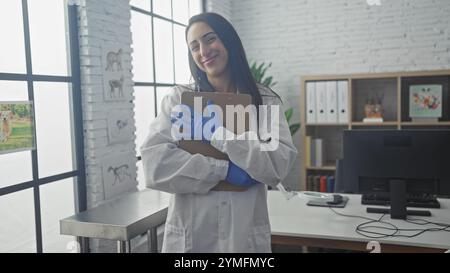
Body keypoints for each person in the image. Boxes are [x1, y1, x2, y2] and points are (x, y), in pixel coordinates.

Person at [140, 12, 297, 253]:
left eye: (210, 39)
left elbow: (277, 166)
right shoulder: (180, 100)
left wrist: (223, 137)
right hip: (191, 239)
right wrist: (223, 170)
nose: (203, 51)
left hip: (244, 239)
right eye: (194, 46)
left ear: (228, 41)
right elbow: (155, 166)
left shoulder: (265, 102)